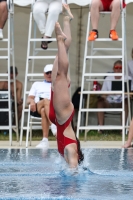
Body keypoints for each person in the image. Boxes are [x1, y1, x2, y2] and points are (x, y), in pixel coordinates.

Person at [49, 4, 84, 168]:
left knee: (60, 55)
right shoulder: (71, 149)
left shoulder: (68, 149)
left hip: (57, 115)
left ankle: (67, 19)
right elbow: (74, 174)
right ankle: (60, 40)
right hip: (62, 116)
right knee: (61, 74)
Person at [27, 64, 57, 149]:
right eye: (47, 73)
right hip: (37, 107)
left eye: (51, 72)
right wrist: (32, 101)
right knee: (45, 101)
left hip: (54, 108)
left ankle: (45, 140)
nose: (49, 75)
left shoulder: (58, 84)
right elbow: (28, 99)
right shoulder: (37, 84)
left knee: (45, 110)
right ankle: (54, 126)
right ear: (44, 74)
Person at [97, 60, 130, 132]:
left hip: (121, 102)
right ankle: (101, 128)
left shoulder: (127, 78)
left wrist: (124, 93)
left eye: (120, 67)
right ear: (113, 68)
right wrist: (106, 95)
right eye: (116, 67)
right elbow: (103, 94)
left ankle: (123, 129)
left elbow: (130, 93)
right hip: (109, 102)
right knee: (100, 102)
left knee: (127, 102)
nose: (118, 69)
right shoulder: (108, 78)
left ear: (122, 69)